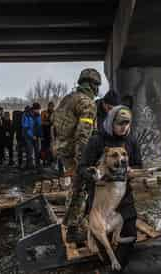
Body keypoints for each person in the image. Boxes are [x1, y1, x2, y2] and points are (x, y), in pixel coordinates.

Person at [79, 106, 142, 273]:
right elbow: (82, 167)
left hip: (124, 201)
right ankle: (107, 263)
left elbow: (138, 165)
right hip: (100, 202)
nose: (124, 127)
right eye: (120, 123)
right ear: (110, 121)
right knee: (102, 245)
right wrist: (94, 176)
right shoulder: (97, 141)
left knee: (129, 240)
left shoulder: (132, 141)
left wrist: (132, 172)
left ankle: (117, 266)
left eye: (127, 123)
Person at [51, 68, 101, 243]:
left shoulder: (67, 99)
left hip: (62, 149)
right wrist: (83, 163)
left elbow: (54, 124)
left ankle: (74, 220)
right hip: (74, 152)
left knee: (74, 187)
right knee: (80, 188)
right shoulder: (87, 103)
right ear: (94, 85)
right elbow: (83, 135)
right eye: (97, 86)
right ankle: (73, 229)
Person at [41, 102, 54, 166]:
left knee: (50, 148)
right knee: (43, 148)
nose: (51, 107)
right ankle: (44, 161)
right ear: (48, 106)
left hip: (51, 133)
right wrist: (47, 123)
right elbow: (41, 122)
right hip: (44, 132)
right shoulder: (44, 112)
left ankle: (49, 161)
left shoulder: (54, 113)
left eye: (52, 106)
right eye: (50, 106)